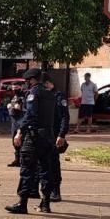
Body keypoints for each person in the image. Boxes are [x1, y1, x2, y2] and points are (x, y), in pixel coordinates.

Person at [5, 68, 56, 214]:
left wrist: (20, 131)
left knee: (27, 169)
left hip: (35, 136)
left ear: (31, 80)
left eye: (27, 81)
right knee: (46, 170)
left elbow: (31, 115)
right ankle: (45, 203)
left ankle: (22, 203)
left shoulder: (33, 94)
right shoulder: (50, 94)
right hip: (48, 136)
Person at [44, 72, 69, 202]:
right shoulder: (43, 96)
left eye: (46, 84)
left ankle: (56, 191)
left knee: (53, 163)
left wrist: (62, 134)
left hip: (54, 135)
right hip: (44, 134)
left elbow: (65, 117)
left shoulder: (58, 96)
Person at [6, 84, 25, 167]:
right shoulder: (14, 96)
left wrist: (14, 107)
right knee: (14, 141)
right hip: (14, 121)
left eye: (16, 87)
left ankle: (22, 161)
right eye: (13, 88)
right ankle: (17, 160)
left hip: (20, 120)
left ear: (20, 87)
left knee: (21, 140)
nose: (14, 89)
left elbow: (22, 108)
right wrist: (10, 107)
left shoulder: (23, 96)